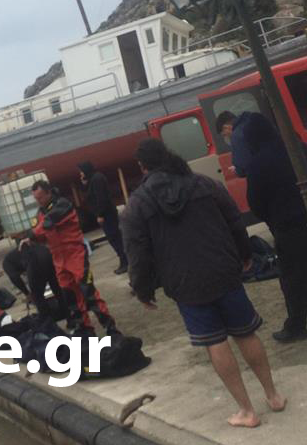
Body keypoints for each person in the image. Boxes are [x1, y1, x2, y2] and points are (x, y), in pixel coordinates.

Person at [121, 137, 285, 428]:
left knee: (215, 343)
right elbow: (234, 220)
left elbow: (137, 253)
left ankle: (247, 411)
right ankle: (273, 395)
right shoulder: (203, 184)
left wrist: (142, 289)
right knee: (246, 334)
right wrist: (245, 254)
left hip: (185, 283)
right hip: (224, 271)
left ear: (142, 166)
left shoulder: (137, 204)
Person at [216, 110, 307, 315]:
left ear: (227, 127)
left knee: (290, 270)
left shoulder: (254, 156)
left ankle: (301, 315)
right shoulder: (297, 147)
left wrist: (270, 217)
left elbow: (254, 198)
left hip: (284, 220)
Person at [30, 180, 118, 335]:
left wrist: (30, 234)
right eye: (36, 199)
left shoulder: (62, 205)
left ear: (49, 193)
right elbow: (42, 234)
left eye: (41, 197)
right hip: (59, 258)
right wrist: (33, 238)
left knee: (88, 292)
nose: (39, 201)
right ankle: (84, 328)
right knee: (71, 297)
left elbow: (48, 224)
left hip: (75, 255)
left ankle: (109, 326)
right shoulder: (42, 212)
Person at [78, 161, 128, 274]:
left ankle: (125, 260)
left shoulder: (97, 179)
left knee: (114, 237)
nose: (80, 173)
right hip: (105, 214)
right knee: (113, 238)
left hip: (107, 214)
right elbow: (88, 196)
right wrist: (84, 184)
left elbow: (101, 198)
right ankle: (124, 259)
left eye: (81, 171)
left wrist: (100, 214)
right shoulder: (92, 180)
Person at [2, 241, 69, 320]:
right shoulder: (17, 255)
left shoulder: (6, 263)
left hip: (35, 261)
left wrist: (27, 293)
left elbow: (14, 277)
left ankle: (47, 320)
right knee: (57, 288)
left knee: (37, 295)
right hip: (46, 254)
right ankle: (67, 314)